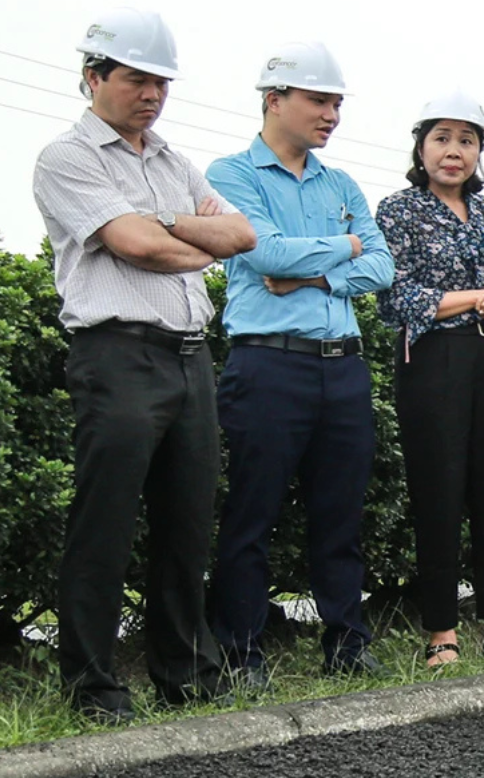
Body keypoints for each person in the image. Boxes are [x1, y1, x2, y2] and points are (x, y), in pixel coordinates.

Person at [34, 9, 255, 723]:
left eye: (161, 82)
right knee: (104, 523)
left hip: (190, 356)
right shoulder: (68, 157)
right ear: (93, 76)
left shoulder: (173, 162)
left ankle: (186, 674)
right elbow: (135, 245)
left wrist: (164, 227)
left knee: (186, 522)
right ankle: (93, 687)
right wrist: (185, 238)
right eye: (136, 79)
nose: (152, 95)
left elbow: (240, 233)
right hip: (116, 354)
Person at [206, 42, 394, 688]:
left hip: (343, 367)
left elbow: (382, 266)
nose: (331, 115)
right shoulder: (232, 174)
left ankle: (348, 644)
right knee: (251, 514)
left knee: (340, 516)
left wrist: (317, 277)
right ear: (274, 100)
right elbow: (267, 254)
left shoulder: (340, 183)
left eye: (337, 103)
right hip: (266, 363)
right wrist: (345, 245)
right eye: (318, 100)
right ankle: (241, 653)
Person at [375, 92, 484, 669]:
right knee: (438, 493)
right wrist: (478, 296)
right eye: (441, 138)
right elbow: (397, 297)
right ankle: (441, 632)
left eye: (466, 140)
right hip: (434, 360)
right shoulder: (398, 210)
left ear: (479, 151)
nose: (454, 151)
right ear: (421, 147)